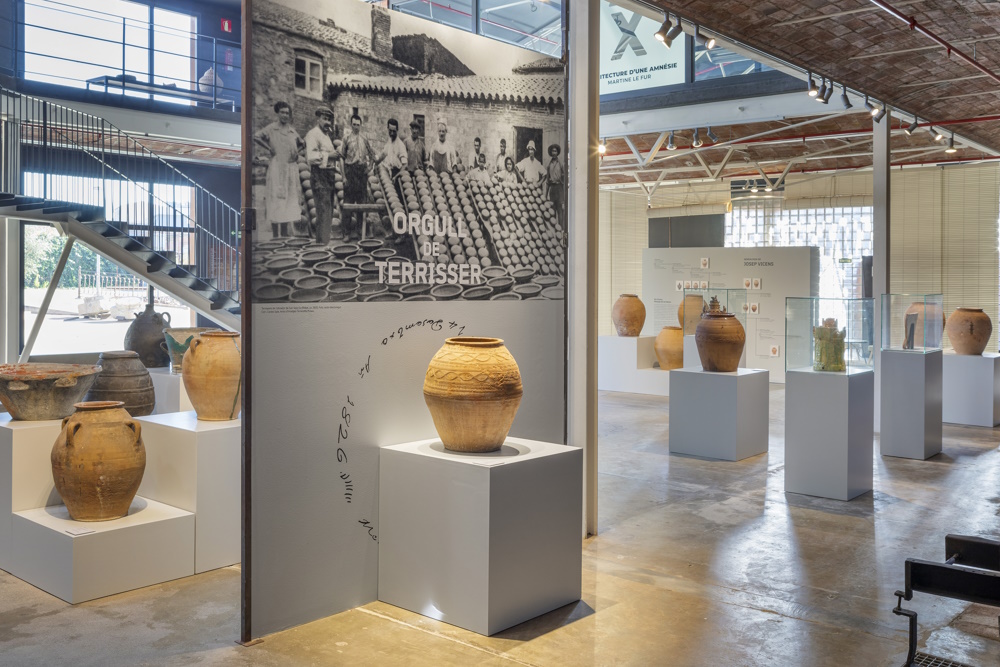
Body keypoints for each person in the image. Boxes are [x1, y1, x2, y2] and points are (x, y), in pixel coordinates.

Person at [254, 101, 303, 239]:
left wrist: (297, 153)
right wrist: (269, 148)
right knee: (276, 198)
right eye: (282, 112)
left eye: (287, 113)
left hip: (289, 168)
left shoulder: (291, 130)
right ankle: (276, 234)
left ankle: (285, 232)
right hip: (276, 167)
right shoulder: (271, 128)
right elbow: (256, 137)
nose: (285, 115)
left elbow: (302, 143)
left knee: (288, 198)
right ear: (278, 113)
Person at [338, 113, 376, 241]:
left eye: (358, 125)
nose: (356, 127)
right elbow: (341, 158)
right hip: (350, 171)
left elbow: (372, 155)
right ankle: (346, 233)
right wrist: (343, 176)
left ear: (361, 125)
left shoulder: (364, 138)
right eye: (354, 124)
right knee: (348, 203)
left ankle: (360, 230)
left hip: (361, 172)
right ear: (351, 124)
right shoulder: (346, 138)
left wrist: (369, 167)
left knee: (361, 202)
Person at [304, 106, 338, 245]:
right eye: (324, 119)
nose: (327, 122)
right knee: (323, 212)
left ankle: (324, 244)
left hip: (329, 176)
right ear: (318, 119)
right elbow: (311, 157)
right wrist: (329, 155)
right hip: (319, 176)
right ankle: (321, 246)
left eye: (329, 120)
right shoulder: (313, 134)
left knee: (328, 214)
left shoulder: (326, 136)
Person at [544, 143, 565, 227]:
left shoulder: (561, 164)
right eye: (552, 151)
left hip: (559, 188)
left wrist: (563, 195)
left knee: (560, 211)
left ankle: (561, 231)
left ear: (557, 152)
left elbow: (564, 178)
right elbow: (547, 182)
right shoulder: (549, 165)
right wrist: (545, 196)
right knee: (552, 211)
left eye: (555, 151)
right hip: (552, 189)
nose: (554, 153)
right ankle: (554, 232)